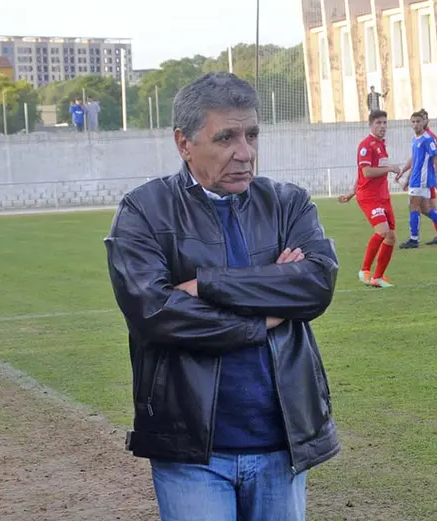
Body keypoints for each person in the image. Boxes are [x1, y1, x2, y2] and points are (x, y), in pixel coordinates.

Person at [104, 72, 339, 521]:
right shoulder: (143, 211)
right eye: (226, 137)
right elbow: (156, 312)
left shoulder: (288, 204)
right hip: (191, 449)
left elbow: (316, 284)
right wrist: (263, 313)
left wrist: (207, 285)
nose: (244, 153)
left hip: (281, 442)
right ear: (184, 143)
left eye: (251, 134)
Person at [338, 110, 399, 288]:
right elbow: (366, 172)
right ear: (371, 124)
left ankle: (377, 277)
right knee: (382, 231)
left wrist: (350, 192)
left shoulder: (381, 145)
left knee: (391, 237)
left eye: (385, 123)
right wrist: (389, 168)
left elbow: (360, 175)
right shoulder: (366, 145)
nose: (382, 126)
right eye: (379, 123)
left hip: (383, 197)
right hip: (370, 197)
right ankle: (364, 270)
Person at [396, 110, 437, 249]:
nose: (416, 124)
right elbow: (415, 160)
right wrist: (405, 175)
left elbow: (436, 157)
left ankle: (414, 239)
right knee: (425, 209)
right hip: (415, 178)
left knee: (413, 206)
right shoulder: (415, 139)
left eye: (418, 121)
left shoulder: (428, 139)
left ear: (423, 123)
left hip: (422, 179)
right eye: (413, 122)